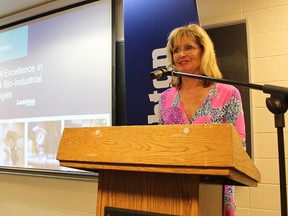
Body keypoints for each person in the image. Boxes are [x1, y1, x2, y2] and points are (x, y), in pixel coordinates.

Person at [158, 23, 246, 216]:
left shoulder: (228, 93)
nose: (181, 54)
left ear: (204, 51)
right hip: (174, 190)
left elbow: (239, 146)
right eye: (176, 50)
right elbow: (161, 145)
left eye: (188, 47)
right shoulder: (165, 98)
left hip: (215, 190)